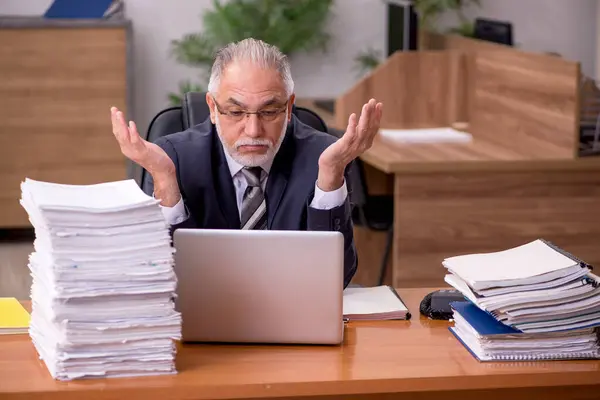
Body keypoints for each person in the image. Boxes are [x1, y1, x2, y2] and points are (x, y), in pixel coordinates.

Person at [110, 38, 383, 288]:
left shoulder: (323, 157)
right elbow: (158, 279)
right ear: (212, 108)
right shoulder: (171, 159)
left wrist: (331, 175)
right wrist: (166, 180)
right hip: (201, 321)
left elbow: (338, 278)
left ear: (289, 108)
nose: (253, 130)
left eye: (268, 111)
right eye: (236, 111)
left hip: (292, 315)